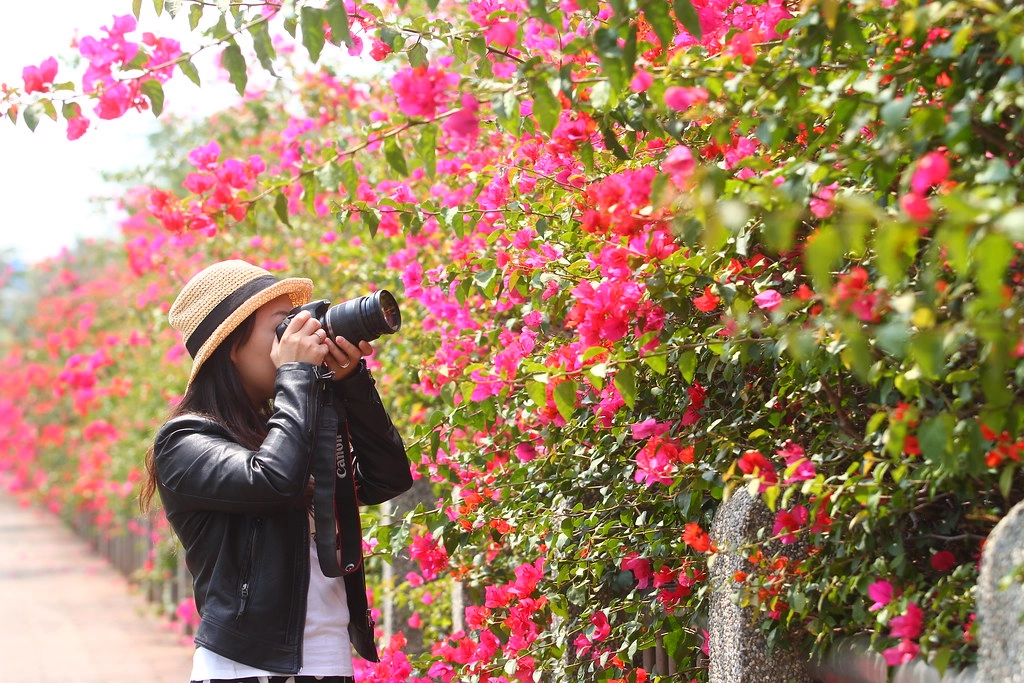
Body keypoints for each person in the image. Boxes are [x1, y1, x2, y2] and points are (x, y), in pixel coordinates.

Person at [139, 260, 413, 683]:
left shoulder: (284, 427)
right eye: (282, 327)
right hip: (246, 671)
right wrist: (296, 375)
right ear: (231, 346)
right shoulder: (183, 441)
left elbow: (386, 478)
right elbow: (272, 478)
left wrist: (352, 382)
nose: (302, 335)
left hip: (329, 663)